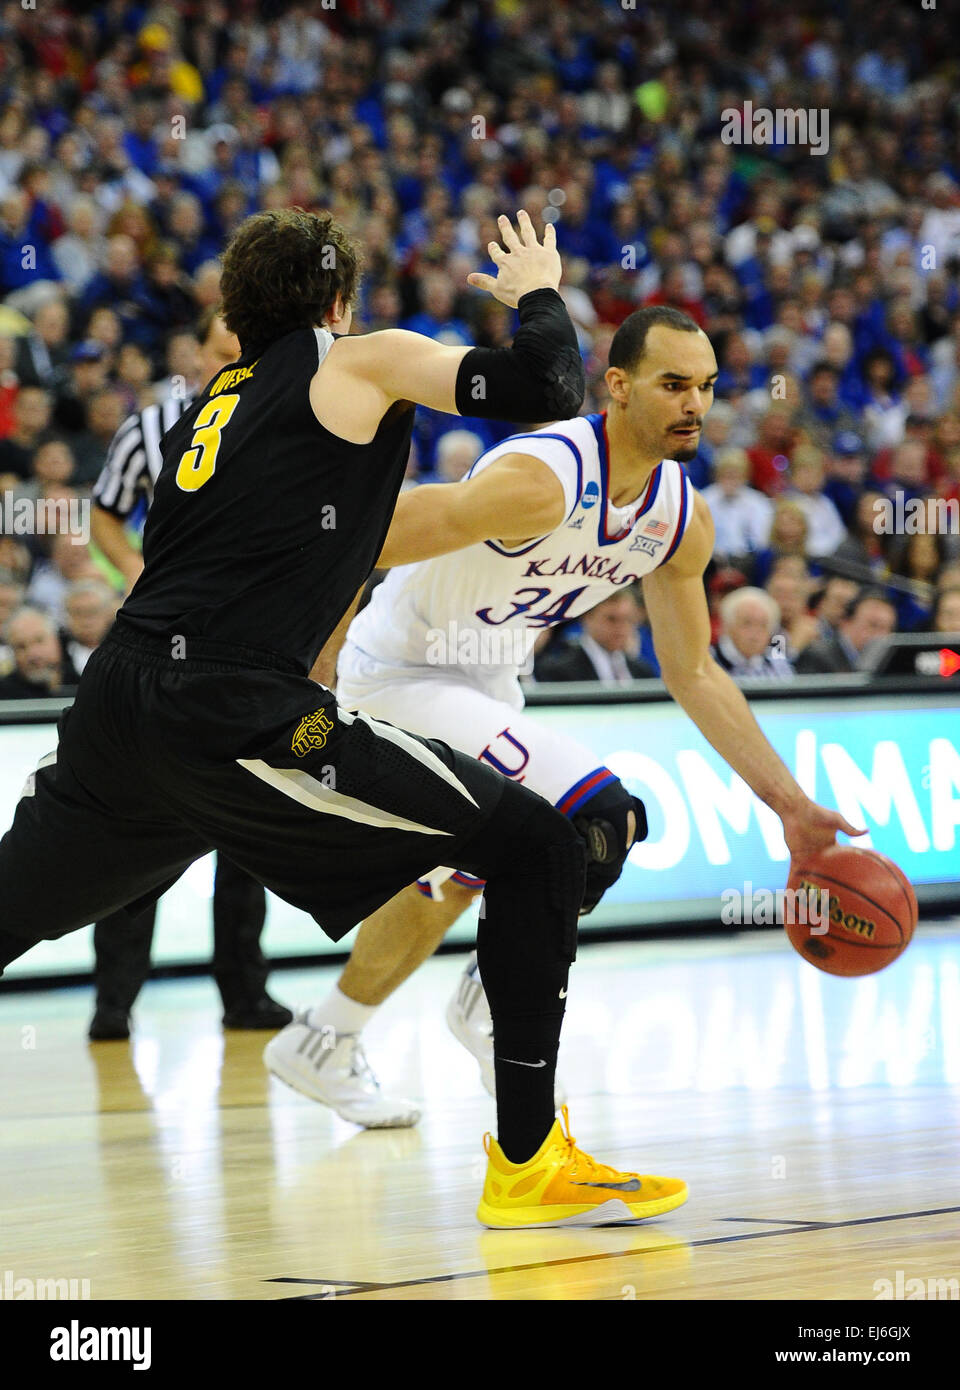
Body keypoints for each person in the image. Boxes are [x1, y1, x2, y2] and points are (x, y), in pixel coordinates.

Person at [1, 206, 703, 1230]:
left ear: (235, 315)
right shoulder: (358, 361)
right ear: (337, 300)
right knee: (539, 841)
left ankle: (437, 1027)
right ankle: (525, 1158)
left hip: (119, 698)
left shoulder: (211, 407)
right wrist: (539, 292)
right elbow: (545, 386)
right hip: (236, 710)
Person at [264, 305, 860, 1139]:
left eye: (707, 388)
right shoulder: (541, 478)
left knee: (452, 884)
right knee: (602, 816)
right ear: (616, 387)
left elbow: (692, 671)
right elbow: (361, 538)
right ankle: (497, 996)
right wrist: (313, 667)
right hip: (399, 674)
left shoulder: (679, 520)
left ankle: (326, 1038)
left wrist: (790, 806)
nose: (694, 404)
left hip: (490, 684)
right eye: (673, 385)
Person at [87, 307, 291, 1040]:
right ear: (196, 354)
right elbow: (105, 513)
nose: (235, 362)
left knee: (247, 835)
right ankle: (114, 999)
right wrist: (140, 577)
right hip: (158, 655)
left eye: (249, 352)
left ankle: (244, 993)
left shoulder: (289, 422)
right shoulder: (150, 428)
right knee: (137, 823)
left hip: (248, 652)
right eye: (223, 350)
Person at [536, 589, 655, 682]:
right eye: (612, 619)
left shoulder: (642, 672)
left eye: (629, 619)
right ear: (587, 618)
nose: (622, 628)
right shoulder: (557, 671)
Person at [794, 588, 897, 674]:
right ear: (846, 623)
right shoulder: (817, 656)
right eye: (873, 625)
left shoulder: (886, 665)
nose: (882, 635)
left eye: (888, 628)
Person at [711, 587, 795, 680]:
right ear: (727, 626)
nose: (755, 633)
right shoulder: (706, 663)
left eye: (763, 625)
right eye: (747, 623)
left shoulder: (778, 665)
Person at [0, 605, 80, 698]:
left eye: (39, 641)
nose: (33, 654)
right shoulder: (4, 697)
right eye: (21, 647)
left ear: (56, 640)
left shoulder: (83, 684)